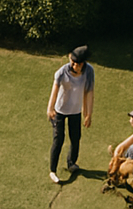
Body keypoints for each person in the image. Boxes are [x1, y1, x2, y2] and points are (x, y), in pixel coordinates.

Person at [46, 45, 94, 183]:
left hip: (75, 110)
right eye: (72, 62)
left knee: (75, 137)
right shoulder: (62, 72)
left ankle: (71, 163)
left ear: (83, 63)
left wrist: (88, 113)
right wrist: (50, 109)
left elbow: (89, 92)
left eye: (77, 64)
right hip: (59, 110)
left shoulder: (89, 71)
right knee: (59, 139)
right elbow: (54, 91)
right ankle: (53, 170)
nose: (73, 65)